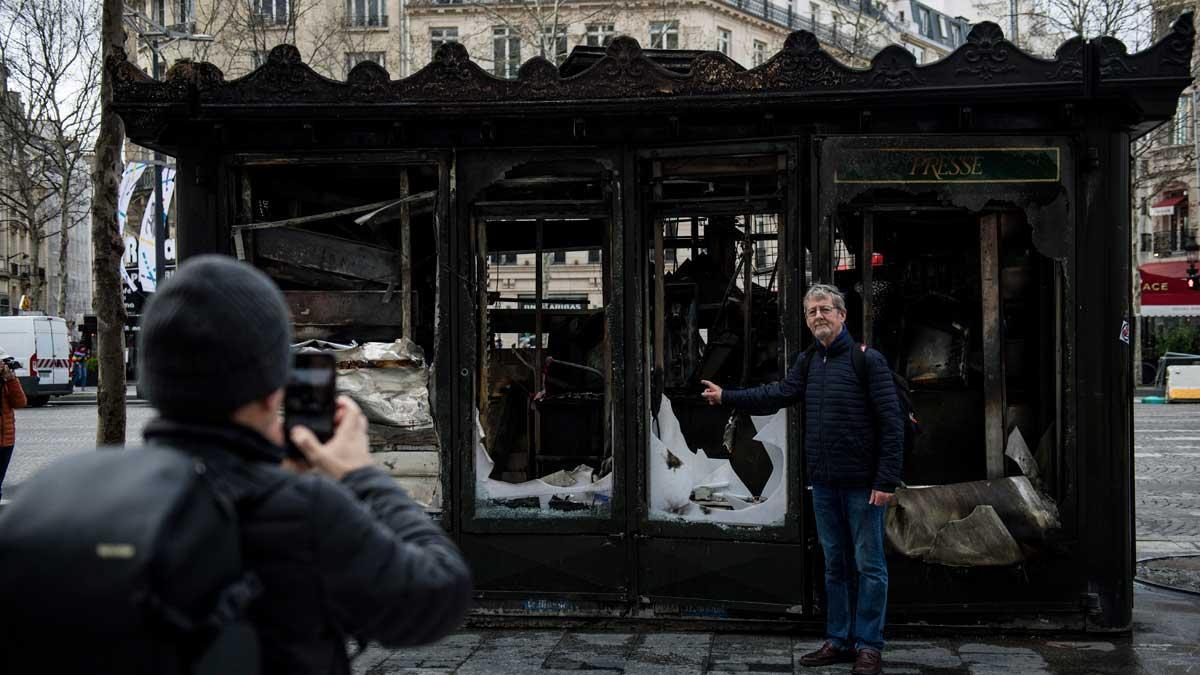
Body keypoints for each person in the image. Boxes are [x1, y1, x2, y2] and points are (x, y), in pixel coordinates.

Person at [137, 255, 472, 673]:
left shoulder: (77, 497)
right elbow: (439, 594)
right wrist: (361, 475)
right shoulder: (303, 510)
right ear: (271, 387)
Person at [700, 283, 902, 675]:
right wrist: (728, 397)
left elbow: (891, 426)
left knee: (870, 565)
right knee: (834, 565)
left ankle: (869, 646)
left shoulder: (868, 361)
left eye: (826, 309)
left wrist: (886, 481)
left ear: (842, 316)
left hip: (863, 485)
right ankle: (839, 639)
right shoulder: (808, 362)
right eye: (812, 312)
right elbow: (777, 393)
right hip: (824, 483)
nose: (819, 317)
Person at [0, 350, 27, 501]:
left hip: (7, 441)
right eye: (2, 362)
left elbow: (20, 402)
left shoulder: (6, 382)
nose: (4, 365)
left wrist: (11, 379)